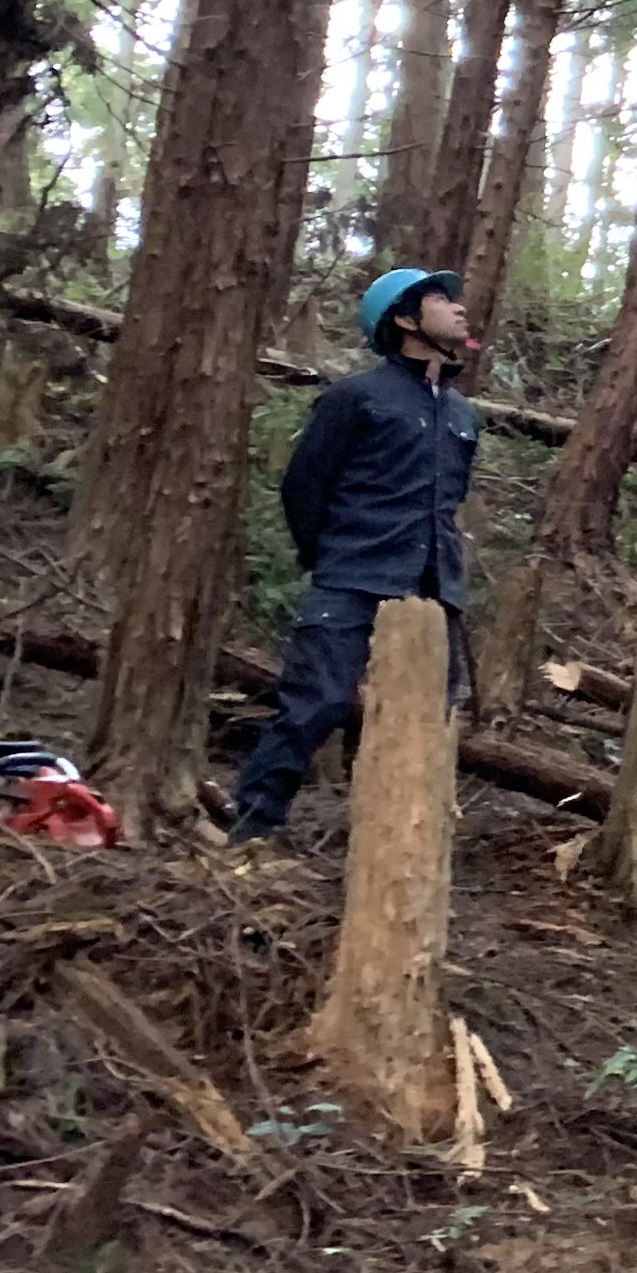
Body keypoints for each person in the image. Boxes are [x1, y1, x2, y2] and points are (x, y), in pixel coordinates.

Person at [228, 267, 482, 843]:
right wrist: (337, 559)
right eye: (442, 300)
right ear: (403, 317)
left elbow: (452, 502)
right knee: (313, 703)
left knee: (425, 722)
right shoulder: (356, 398)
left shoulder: (464, 415)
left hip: (433, 592)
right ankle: (250, 833)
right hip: (351, 581)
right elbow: (303, 487)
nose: (460, 310)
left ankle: (401, 849)